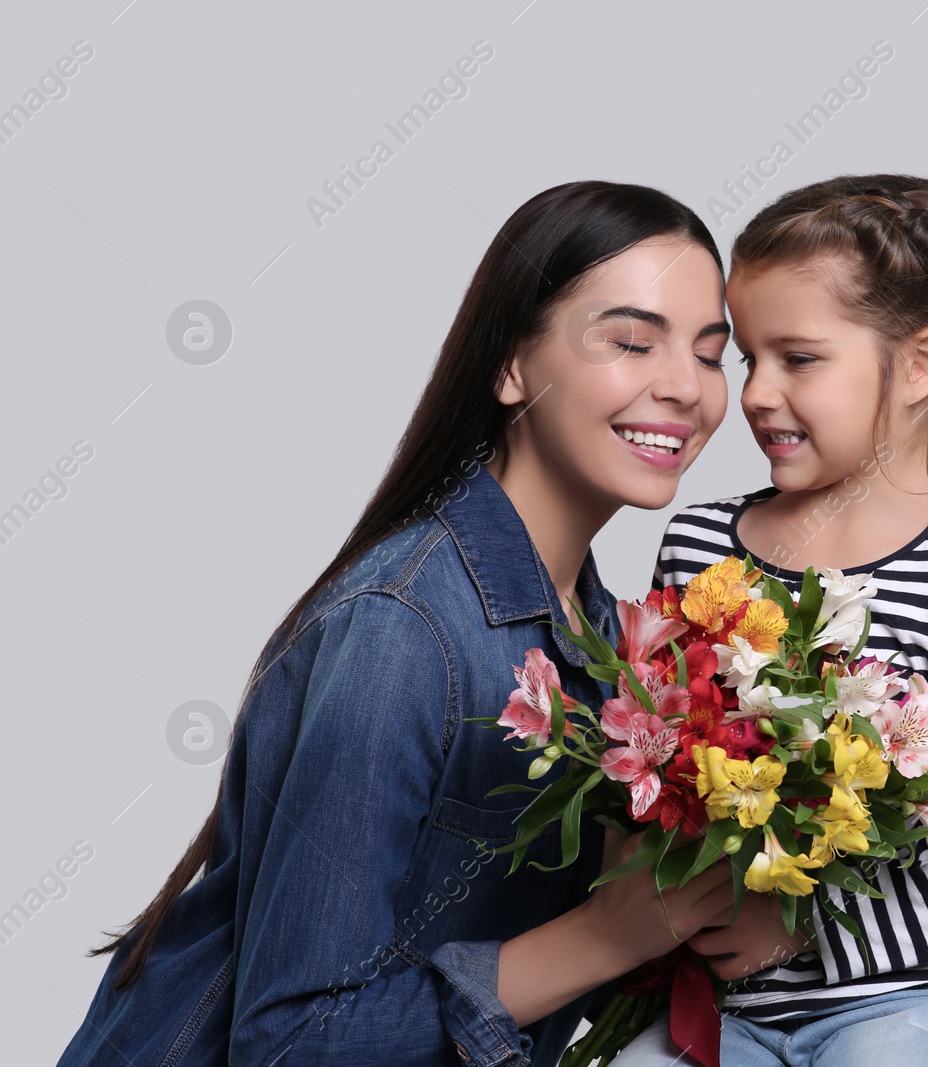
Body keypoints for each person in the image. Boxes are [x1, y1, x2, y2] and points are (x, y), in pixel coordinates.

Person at [55, 181, 755, 1067]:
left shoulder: (615, 651)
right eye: (630, 341)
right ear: (511, 365)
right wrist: (608, 936)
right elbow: (289, 1043)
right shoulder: (405, 628)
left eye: (709, 354)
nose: (684, 388)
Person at [612, 174, 928, 1066]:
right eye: (749, 357)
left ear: (920, 365)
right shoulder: (702, 546)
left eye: (799, 357)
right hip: (724, 1011)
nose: (754, 392)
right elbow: (651, 762)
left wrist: (803, 933)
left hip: (906, 1005)